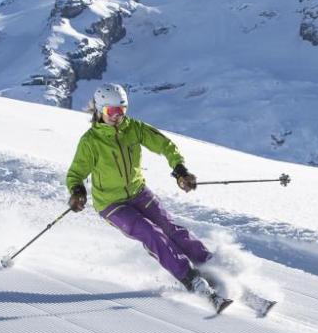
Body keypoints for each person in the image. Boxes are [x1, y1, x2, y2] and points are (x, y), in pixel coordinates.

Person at [65, 82, 222, 305]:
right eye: (111, 111)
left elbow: (165, 145)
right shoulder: (91, 142)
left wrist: (180, 170)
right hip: (111, 204)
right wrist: (78, 191)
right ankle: (190, 278)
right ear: (100, 110)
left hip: (138, 192)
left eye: (122, 110)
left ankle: (210, 264)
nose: (117, 116)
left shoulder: (134, 129)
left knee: (171, 228)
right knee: (151, 232)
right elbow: (75, 173)